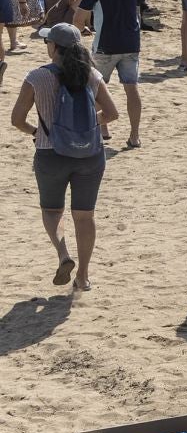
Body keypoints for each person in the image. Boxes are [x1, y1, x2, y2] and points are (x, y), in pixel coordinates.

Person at [11, 23, 117, 293]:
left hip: (51, 153)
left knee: (51, 211)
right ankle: (83, 276)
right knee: (84, 216)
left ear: (54, 47)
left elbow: (17, 120)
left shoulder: (37, 77)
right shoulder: (92, 74)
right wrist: (87, 126)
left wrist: (36, 132)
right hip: (89, 154)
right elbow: (112, 113)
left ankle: (63, 253)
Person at [76, 0, 143, 149]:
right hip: (131, 43)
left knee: (95, 89)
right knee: (131, 88)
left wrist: (79, 33)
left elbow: (78, 18)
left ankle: (97, 129)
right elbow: (140, 5)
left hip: (106, 44)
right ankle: (134, 136)